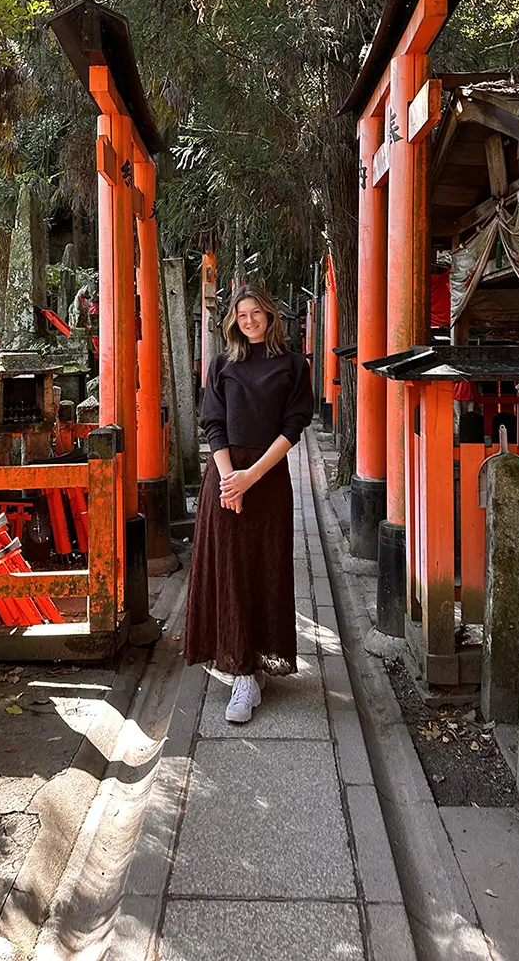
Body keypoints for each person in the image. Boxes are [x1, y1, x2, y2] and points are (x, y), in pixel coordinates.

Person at [184, 284, 314, 723]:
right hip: (224, 480)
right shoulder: (221, 365)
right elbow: (213, 425)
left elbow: (294, 427)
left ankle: (255, 661)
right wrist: (228, 480)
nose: (250, 320)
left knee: (265, 568)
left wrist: (249, 478)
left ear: (270, 316)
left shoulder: (295, 366)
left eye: (256, 312)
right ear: (234, 322)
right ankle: (240, 673)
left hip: (267, 479)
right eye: (242, 315)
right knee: (231, 572)